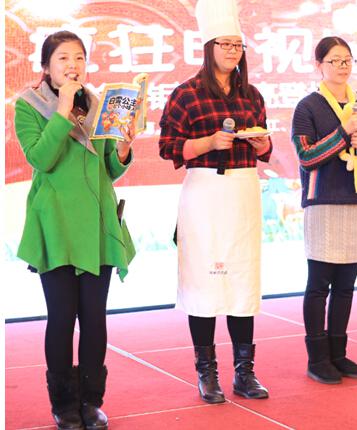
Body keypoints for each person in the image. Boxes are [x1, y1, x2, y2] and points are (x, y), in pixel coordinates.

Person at [14, 31, 136, 430]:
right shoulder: (28, 105)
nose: (73, 65)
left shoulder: (100, 105)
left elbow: (108, 170)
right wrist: (63, 110)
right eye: (63, 58)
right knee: (62, 317)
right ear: (46, 66)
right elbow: (41, 158)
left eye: (79, 57)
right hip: (56, 226)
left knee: (95, 318)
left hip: (98, 225)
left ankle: (91, 402)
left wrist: (122, 150)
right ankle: (64, 405)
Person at [158, 0, 271, 403]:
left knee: (242, 281)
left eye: (237, 45)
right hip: (204, 193)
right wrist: (208, 142)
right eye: (225, 44)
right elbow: (168, 146)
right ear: (208, 47)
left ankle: (245, 372)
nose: (232, 51)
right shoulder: (186, 94)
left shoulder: (251, 95)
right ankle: (207, 373)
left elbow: (265, 147)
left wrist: (262, 143)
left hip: (243, 191)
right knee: (203, 283)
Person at [291, 36, 357, 384]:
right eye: (334, 60)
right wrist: (343, 133)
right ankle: (317, 358)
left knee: (346, 285)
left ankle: (338, 354)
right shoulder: (307, 107)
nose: (343, 66)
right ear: (319, 65)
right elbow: (306, 157)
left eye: (347, 60)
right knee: (319, 284)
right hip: (323, 203)